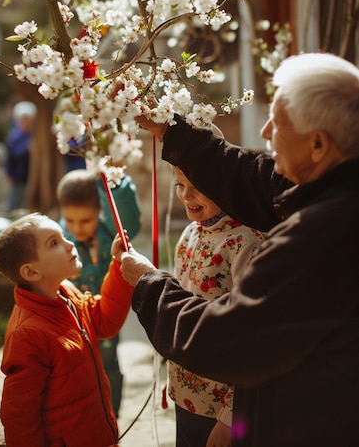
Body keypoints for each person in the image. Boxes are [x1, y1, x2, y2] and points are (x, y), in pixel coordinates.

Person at [120, 52, 359, 447]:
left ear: (318, 144)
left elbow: (229, 338)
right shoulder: (335, 187)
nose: (265, 132)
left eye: (278, 124)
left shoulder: (320, 238)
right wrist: (170, 130)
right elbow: (253, 176)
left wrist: (149, 284)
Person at [0, 212, 132, 447]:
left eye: (63, 236)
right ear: (32, 272)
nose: (70, 245)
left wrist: (118, 265)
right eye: (54, 243)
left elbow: (104, 322)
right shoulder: (27, 334)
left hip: (97, 431)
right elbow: (20, 416)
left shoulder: (66, 292)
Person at [169, 165, 263, 447]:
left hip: (222, 406)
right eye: (180, 185)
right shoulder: (189, 233)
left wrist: (230, 416)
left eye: (198, 185)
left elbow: (255, 335)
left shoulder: (248, 242)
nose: (187, 195)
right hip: (185, 391)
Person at [56, 168, 141, 416]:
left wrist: (112, 182)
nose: (77, 228)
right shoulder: (60, 241)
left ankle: (110, 416)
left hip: (103, 316)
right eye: (70, 220)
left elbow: (129, 220)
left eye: (85, 220)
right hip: (71, 321)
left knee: (108, 365)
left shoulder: (107, 234)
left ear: (99, 212)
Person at [4, 101, 37, 211]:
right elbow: (11, 156)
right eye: (23, 120)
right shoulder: (15, 136)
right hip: (18, 175)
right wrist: (9, 173)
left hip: (31, 175)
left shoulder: (34, 135)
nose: (26, 123)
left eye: (28, 120)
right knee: (16, 199)